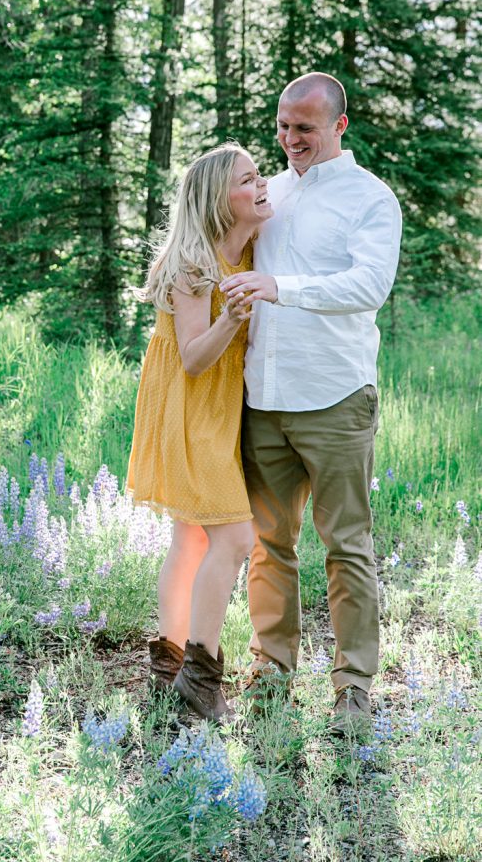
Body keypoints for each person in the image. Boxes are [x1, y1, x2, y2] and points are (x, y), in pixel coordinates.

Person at [220, 73, 402, 735]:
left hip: (333, 397)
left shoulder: (369, 199)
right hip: (262, 399)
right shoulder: (266, 193)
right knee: (269, 548)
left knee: (345, 547)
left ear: (338, 126)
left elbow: (367, 285)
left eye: (304, 128)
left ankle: (352, 689)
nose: (290, 139)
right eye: (282, 125)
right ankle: (269, 678)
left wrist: (280, 287)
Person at [127, 142, 272, 721]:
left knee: (190, 540)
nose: (263, 185)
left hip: (219, 410)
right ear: (220, 198)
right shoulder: (195, 264)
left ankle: (165, 672)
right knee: (235, 540)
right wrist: (231, 319)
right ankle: (201, 678)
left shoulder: (253, 247)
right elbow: (191, 359)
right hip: (189, 410)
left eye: (261, 176)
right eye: (249, 179)